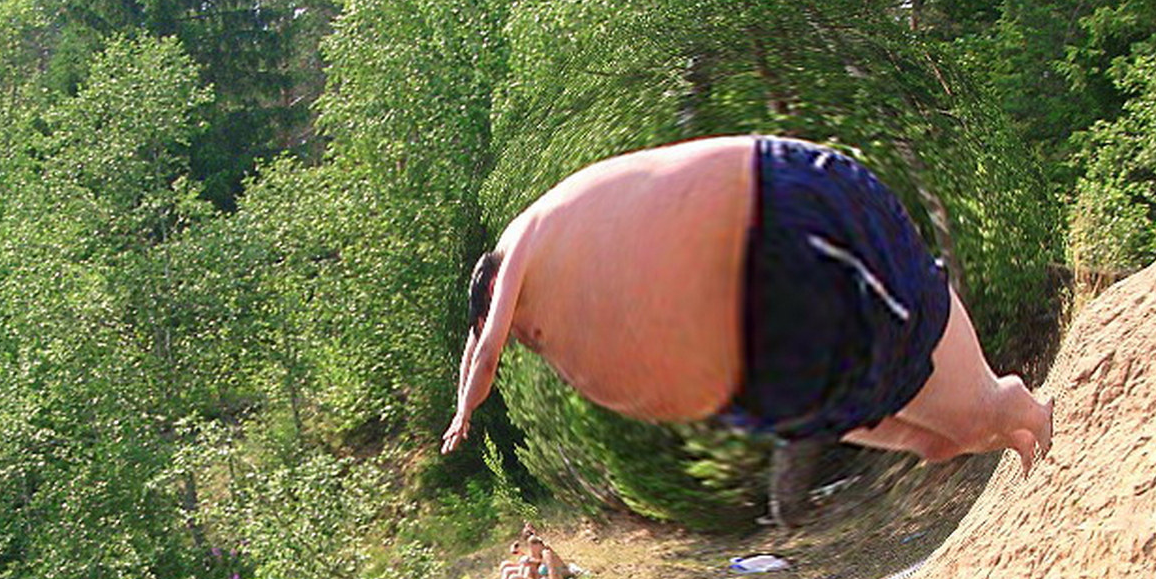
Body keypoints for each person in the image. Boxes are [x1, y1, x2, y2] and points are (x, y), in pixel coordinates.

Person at [440, 135, 1052, 473]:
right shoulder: (517, 276)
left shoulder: (521, 240)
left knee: (969, 404)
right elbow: (480, 342)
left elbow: (488, 345)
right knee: (936, 441)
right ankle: (1011, 427)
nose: (528, 341)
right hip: (762, 368)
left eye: (529, 334)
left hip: (774, 231)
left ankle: (1024, 412)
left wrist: (464, 414)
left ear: (494, 290)